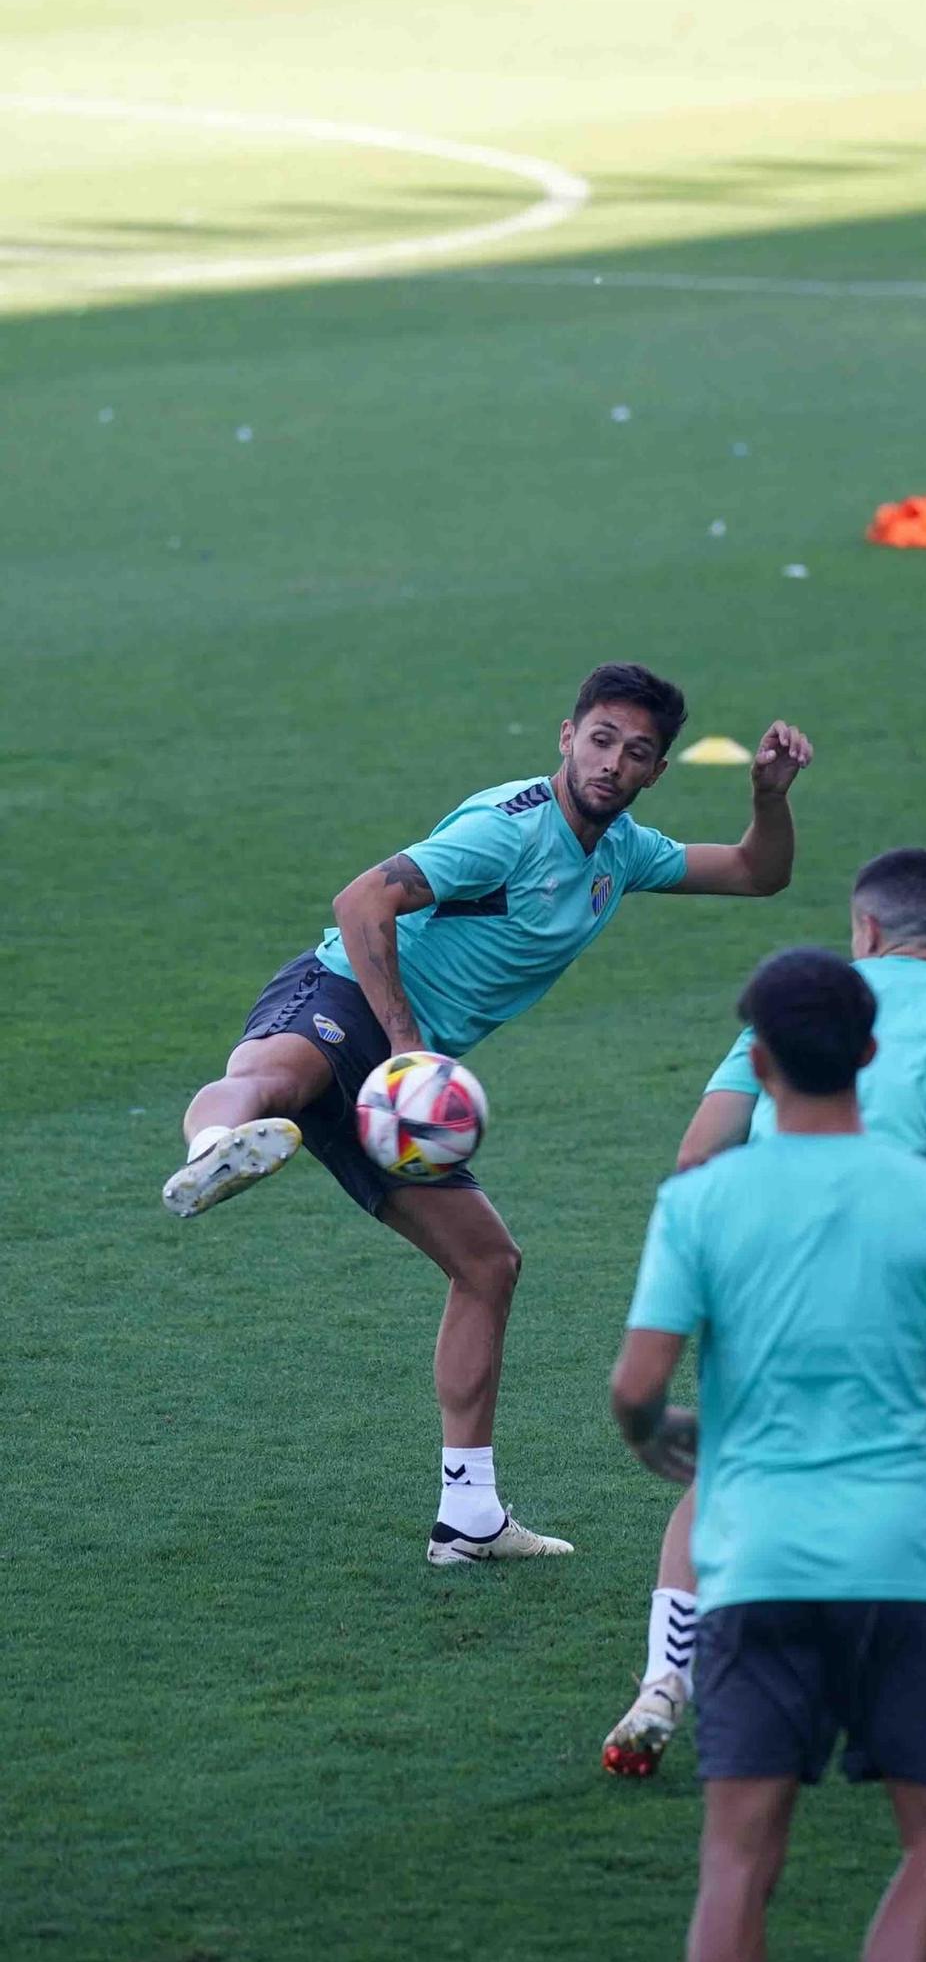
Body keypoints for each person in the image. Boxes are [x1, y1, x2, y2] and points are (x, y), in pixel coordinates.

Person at [161, 662, 814, 1564]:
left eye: (637, 753)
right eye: (599, 740)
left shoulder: (620, 855)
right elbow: (362, 900)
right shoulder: (505, 829)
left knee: (489, 1264)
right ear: (565, 736)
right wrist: (404, 1046)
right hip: (352, 998)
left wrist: (769, 797)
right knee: (277, 1077)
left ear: (657, 770)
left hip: (410, 1081)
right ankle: (211, 1151)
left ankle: (468, 1516)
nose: (612, 764)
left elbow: (755, 874)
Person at [610, 947, 926, 1962]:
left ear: (756, 1060)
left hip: (756, 1566)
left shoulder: (699, 1203)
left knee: (735, 1861)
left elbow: (636, 1386)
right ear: (866, 1051)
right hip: (900, 1569)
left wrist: (653, 1431)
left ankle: (654, 1683)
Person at [604, 848, 926, 1765]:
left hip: (759, 1252)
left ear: (864, 931)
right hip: (899, 1248)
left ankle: (663, 1682)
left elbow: (696, 1157)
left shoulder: (788, 1017)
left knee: (738, 1451)